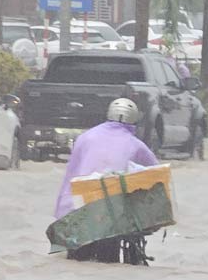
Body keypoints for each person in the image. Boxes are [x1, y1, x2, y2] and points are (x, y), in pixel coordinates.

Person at [54, 98, 159, 262]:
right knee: (109, 262)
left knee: (75, 260)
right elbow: (156, 174)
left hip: (77, 207)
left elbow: (71, 173)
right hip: (112, 212)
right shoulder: (136, 145)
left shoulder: (85, 137)